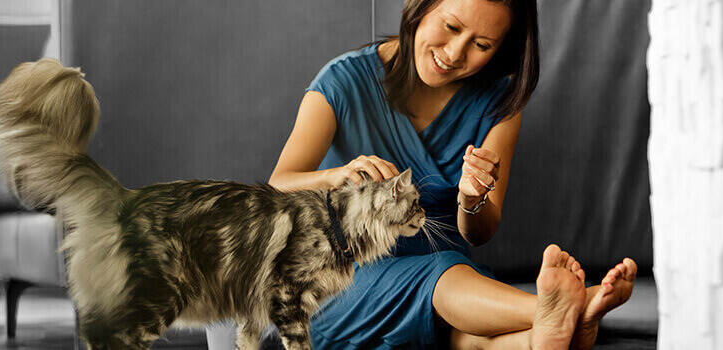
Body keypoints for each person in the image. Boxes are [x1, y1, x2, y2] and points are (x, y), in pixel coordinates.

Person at [269, 0, 637, 348]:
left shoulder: (499, 102)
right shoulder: (342, 81)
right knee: (441, 277)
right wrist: (336, 177)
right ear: (422, 6)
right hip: (340, 282)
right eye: (451, 26)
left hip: (457, 291)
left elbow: (480, 232)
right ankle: (555, 308)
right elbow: (277, 188)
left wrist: (471, 199)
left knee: (467, 338)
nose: (455, 53)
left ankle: (557, 330)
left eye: (481, 44)